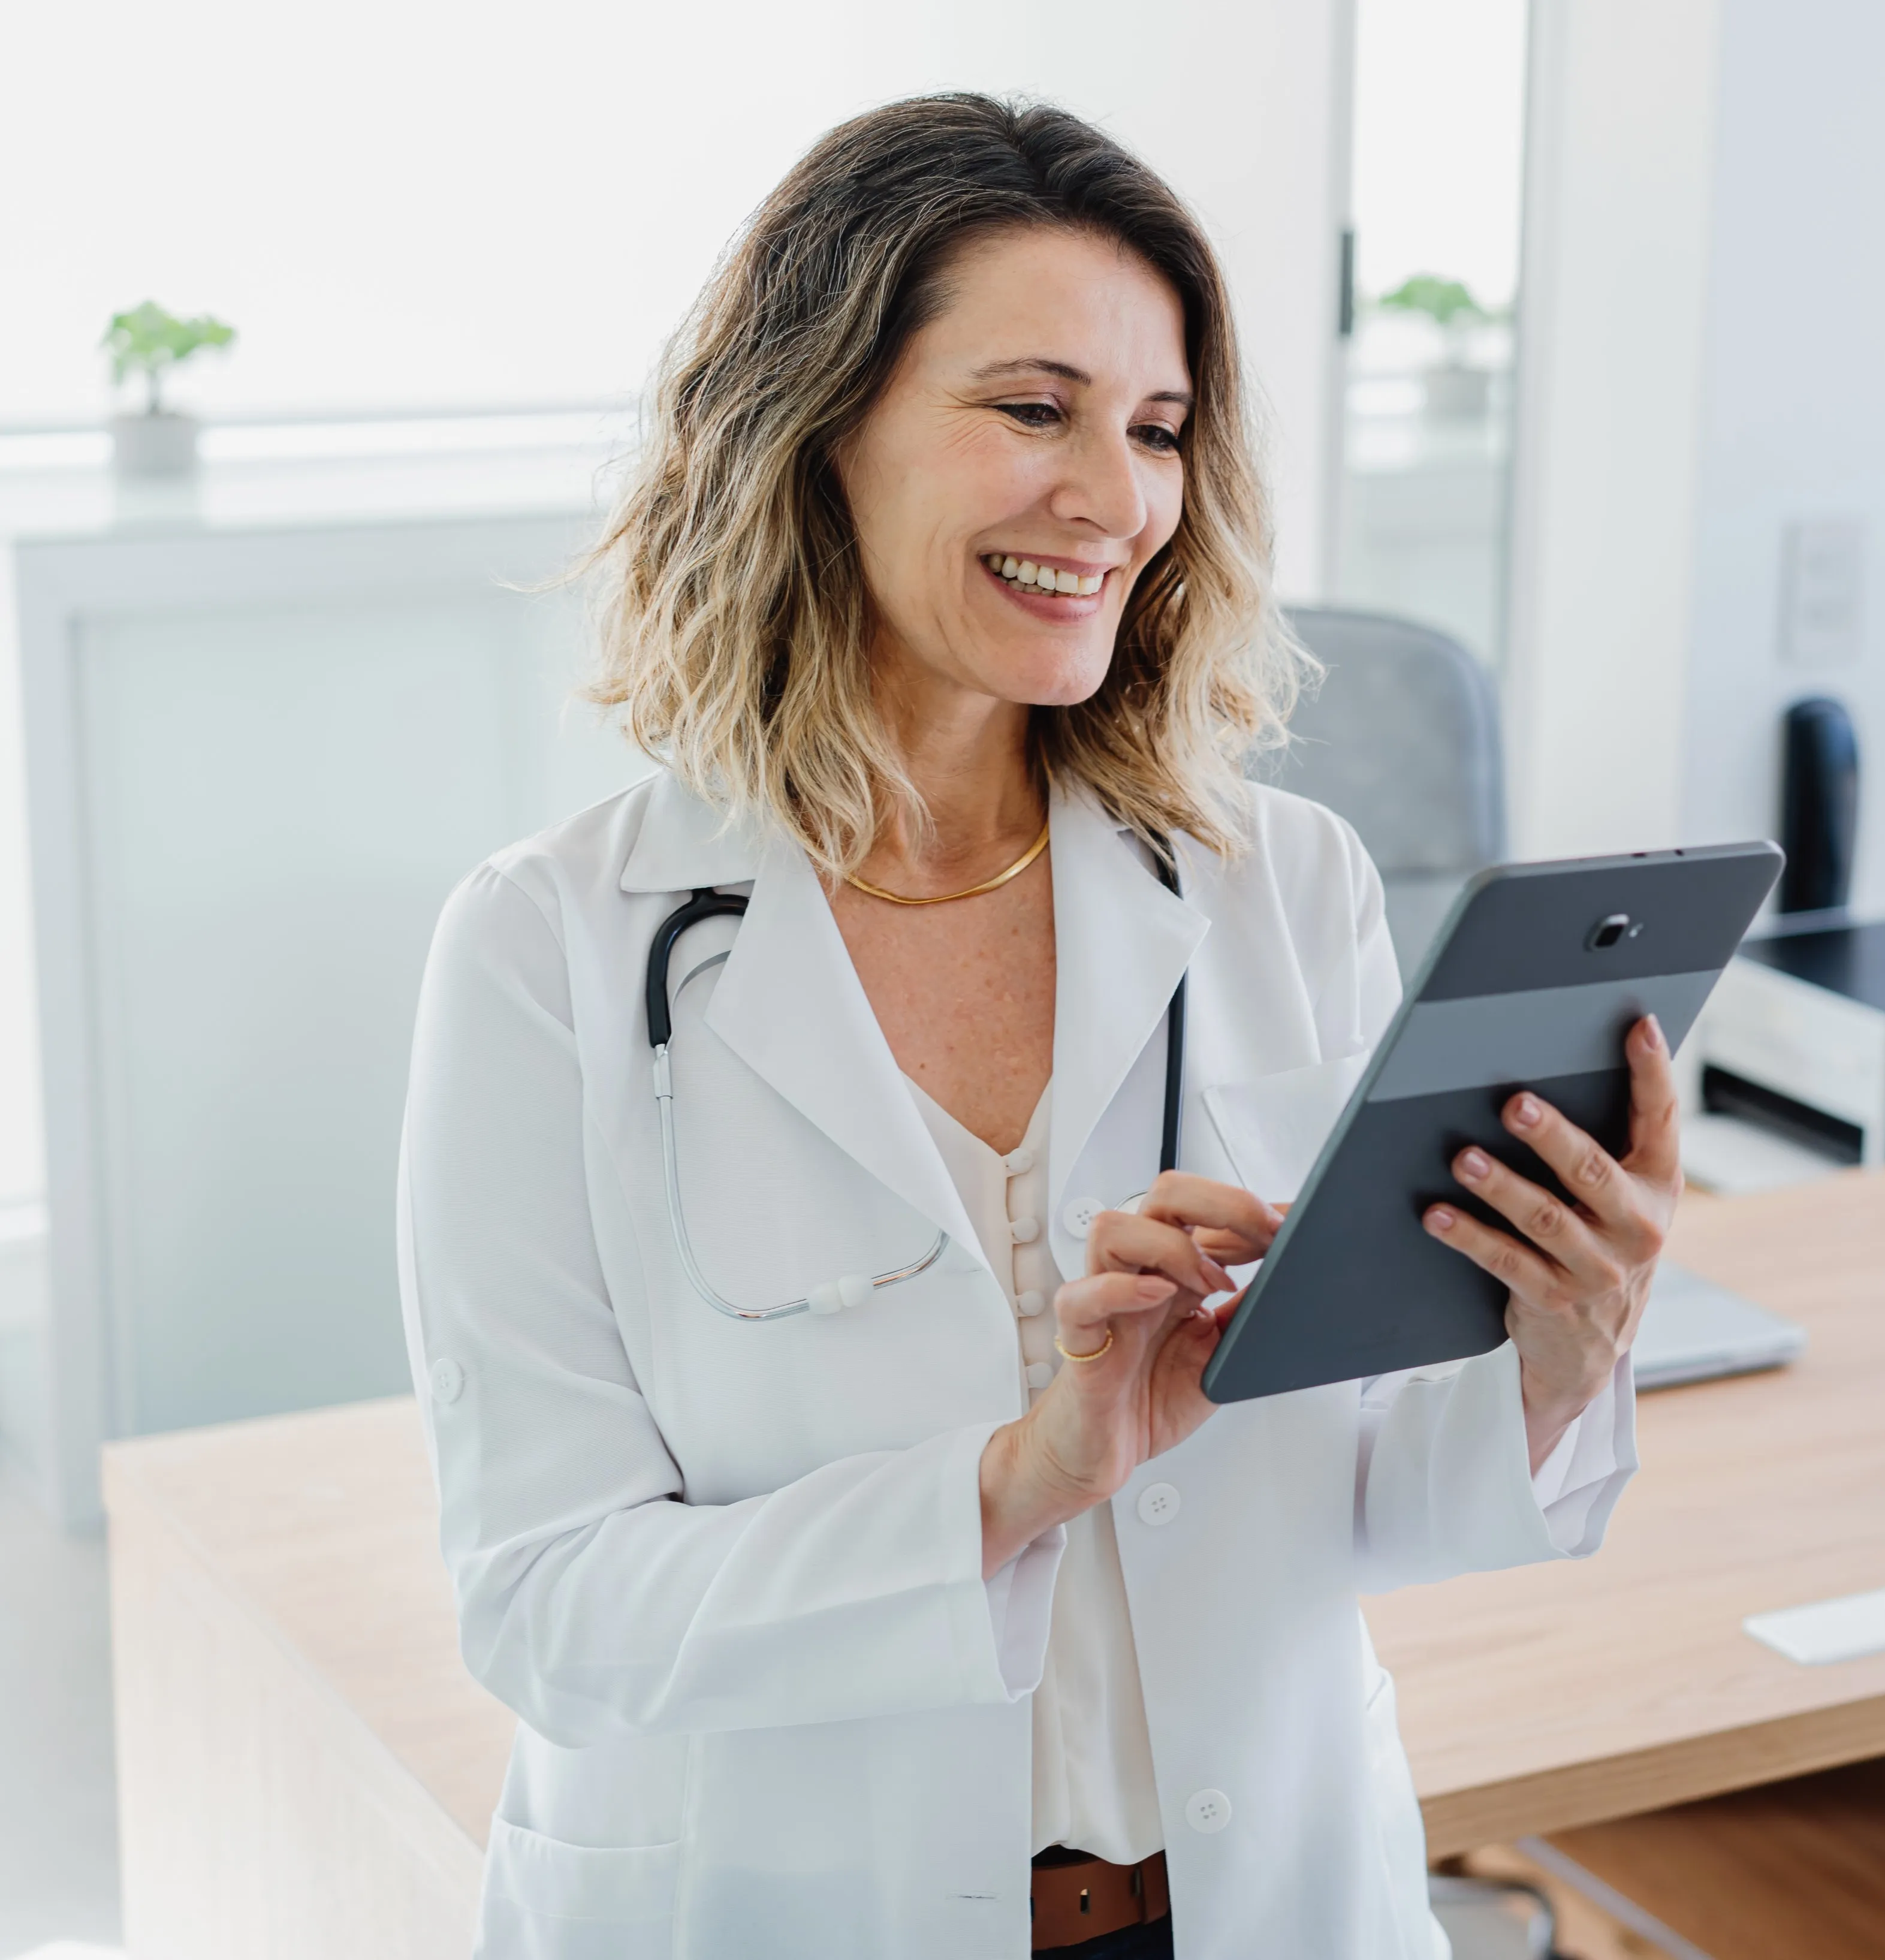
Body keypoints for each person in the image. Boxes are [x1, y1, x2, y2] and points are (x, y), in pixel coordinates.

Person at [397, 94, 1673, 1960]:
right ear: (815, 426)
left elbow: (1385, 1495)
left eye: (1157, 429)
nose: (1117, 496)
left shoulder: (1281, 887)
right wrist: (1019, 1480)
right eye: (1032, 409)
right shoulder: (549, 953)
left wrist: (1561, 1351)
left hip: (1253, 1905)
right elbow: (550, 1608)